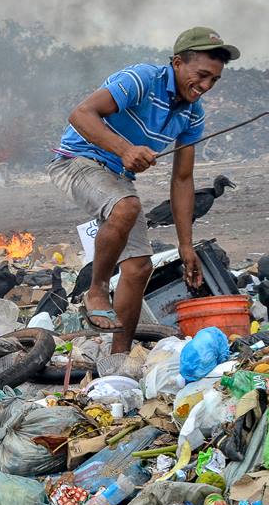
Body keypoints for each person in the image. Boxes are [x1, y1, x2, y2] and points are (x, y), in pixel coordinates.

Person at [48, 27, 239, 373]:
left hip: (116, 178)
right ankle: (97, 291)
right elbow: (80, 114)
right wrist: (125, 149)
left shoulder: (192, 114)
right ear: (178, 63)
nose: (207, 86)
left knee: (139, 267)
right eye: (202, 75)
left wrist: (186, 246)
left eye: (215, 79)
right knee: (127, 206)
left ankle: (117, 363)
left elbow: (182, 179)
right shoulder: (142, 78)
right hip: (77, 161)